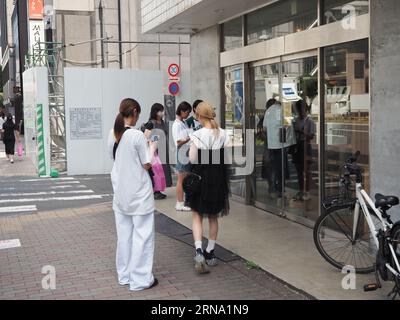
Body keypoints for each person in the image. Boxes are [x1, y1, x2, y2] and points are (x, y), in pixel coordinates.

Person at [108, 98, 158, 291]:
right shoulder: (137, 136)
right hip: (139, 194)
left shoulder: (112, 134)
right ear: (135, 112)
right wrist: (151, 147)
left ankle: (125, 275)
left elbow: (115, 158)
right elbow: (147, 164)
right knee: (143, 236)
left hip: (120, 193)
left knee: (124, 236)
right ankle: (140, 280)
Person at [187, 102, 230, 274]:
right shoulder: (223, 134)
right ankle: (210, 251)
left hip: (200, 178)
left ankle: (199, 251)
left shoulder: (197, 135)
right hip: (218, 178)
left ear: (199, 116)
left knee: (197, 214)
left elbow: (191, 159)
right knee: (213, 216)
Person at [263, 100, 295, 198]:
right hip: (282, 144)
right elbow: (289, 127)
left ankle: (272, 188)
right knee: (281, 167)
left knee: (272, 167)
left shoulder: (268, 111)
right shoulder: (285, 110)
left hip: (271, 144)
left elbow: (264, 128)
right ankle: (280, 189)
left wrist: (272, 135)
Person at [292, 100, 316, 202]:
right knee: (298, 171)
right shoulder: (295, 120)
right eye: (298, 110)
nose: (300, 112)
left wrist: (302, 132)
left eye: (301, 109)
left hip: (306, 147)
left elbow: (311, 136)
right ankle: (301, 190)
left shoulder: (309, 121)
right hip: (297, 147)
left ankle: (307, 191)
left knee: (306, 170)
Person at [148, 103, 173, 200]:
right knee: (156, 171)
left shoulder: (162, 122)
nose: (163, 112)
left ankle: (159, 190)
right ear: (155, 111)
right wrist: (157, 138)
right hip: (155, 150)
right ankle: (154, 191)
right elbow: (149, 137)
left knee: (162, 171)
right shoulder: (151, 123)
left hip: (163, 149)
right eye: (161, 110)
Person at [172, 101, 193, 212]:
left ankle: (182, 201)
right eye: (187, 112)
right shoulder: (177, 124)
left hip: (185, 152)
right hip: (182, 153)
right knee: (181, 180)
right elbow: (178, 142)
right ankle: (179, 203)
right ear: (182, 111)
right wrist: (189, 138)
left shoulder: (182, 122)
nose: (188, 115)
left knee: (184, 179)